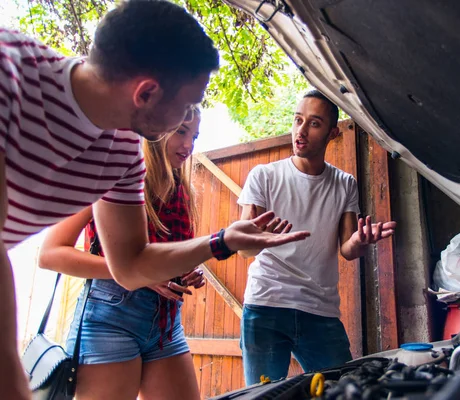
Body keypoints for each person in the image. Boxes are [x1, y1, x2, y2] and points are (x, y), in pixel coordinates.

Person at [0, 1, 308, 398]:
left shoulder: (120, 155)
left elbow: (130, 265)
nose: (189, 124)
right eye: (185, 107)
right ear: (146, 92)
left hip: (160, 323)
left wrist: (223, 241)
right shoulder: (12, 72)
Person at [38, 107, 205, 399]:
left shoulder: (181, 190)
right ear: (158, 127)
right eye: (181, 132)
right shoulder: (110, 173)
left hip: (166, 325)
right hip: (111, 319)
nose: (189, 145)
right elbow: (51, 253)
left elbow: (163, 259)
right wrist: (137, 272)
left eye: (195, 136)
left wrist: (186, 270)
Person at [237, 90, 397, 385]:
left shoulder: (344, 183)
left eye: (314, 123)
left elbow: (348, 249)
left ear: (332, 132)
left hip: (320, 310)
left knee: (345, 389)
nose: (301, 130)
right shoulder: (264, 176)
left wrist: (361, 242)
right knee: (264, 395)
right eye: (298, 120)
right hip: (266, 306)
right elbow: (244, 249)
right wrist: (260, 237)